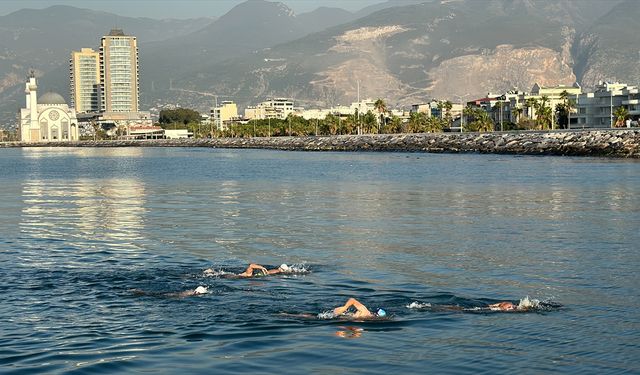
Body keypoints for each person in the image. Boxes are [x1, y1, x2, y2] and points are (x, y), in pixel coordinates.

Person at [204, 263, 291, 278]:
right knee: (218, 275)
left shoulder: (249, 275)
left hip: (234, 276)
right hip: (232, 277)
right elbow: (251, 265)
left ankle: (211, 272)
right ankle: (210, 272)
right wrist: (262, 268)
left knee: (219, 274)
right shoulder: (248, 274)